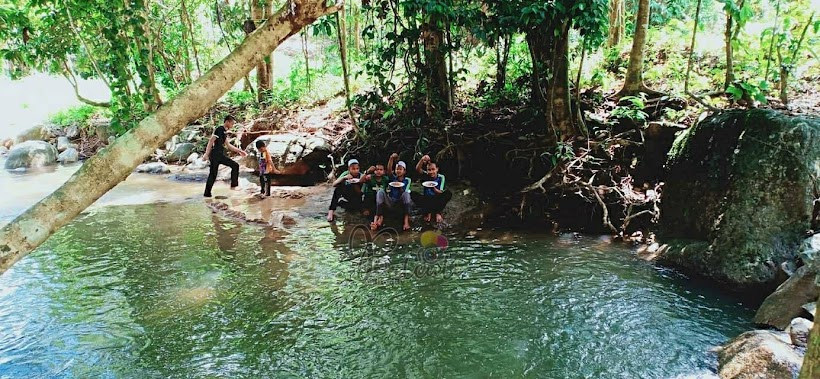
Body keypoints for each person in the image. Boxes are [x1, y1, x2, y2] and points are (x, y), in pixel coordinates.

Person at [203, 115, 247, 198]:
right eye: (232, 123)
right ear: (227, 122)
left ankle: (234, 186)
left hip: (220, 155)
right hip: (215, 155)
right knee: (213, 174)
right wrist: (206, 154)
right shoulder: (219, 129)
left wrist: (240, 151)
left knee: (235, 165)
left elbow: (228, 145)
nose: (232, 126)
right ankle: (207, 194)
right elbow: (211, 141)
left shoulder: (224, 132)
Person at [373, 153, 413, 231]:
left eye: (400, 169)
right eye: (397, 169)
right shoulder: (393, 178)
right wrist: (391, 158)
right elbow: (388, 170)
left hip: (400, 204)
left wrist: (400, 186)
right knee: (380, 192)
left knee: (406, 194)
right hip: (390, 202)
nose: (398, 171)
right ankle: (377, 218)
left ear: (404, 171)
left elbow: (404, 193)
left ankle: (406, 220)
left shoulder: (407, 180)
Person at [412, 155, 452, 223]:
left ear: (437, 169)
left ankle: (437, 212)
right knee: (412, 194)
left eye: (433, 169)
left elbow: (440, 192)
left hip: (437, 199)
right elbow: (418, 169)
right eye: (429, 170)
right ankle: (428, 212)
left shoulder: (441, 177)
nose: (431, 172)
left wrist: (433, 188)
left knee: (448, 193)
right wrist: (422, 159)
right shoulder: (426, 175)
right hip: (427, 199)